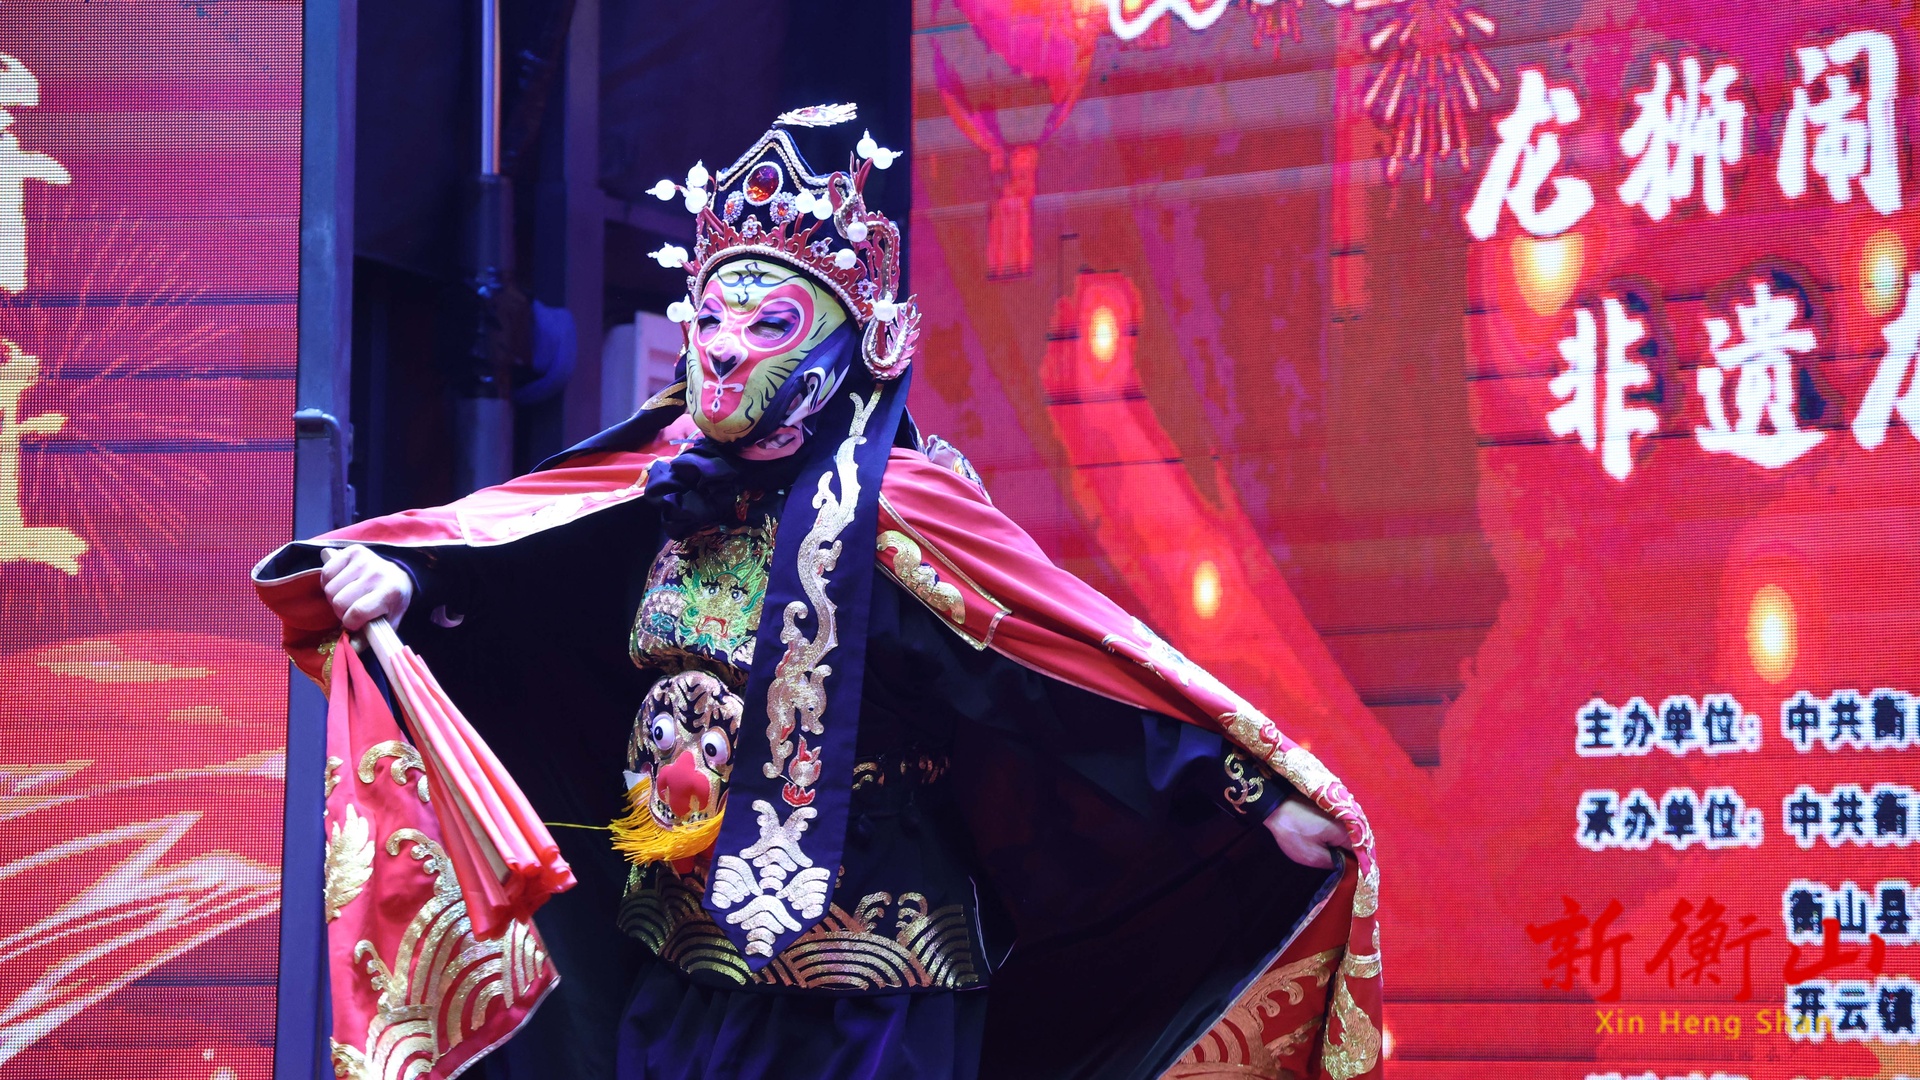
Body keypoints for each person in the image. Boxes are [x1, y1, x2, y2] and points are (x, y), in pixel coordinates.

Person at [257, 107, 1381, 1080]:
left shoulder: (907, 507)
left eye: (769, 325)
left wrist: (1242, 789)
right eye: (710, 320)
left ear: (863, 343)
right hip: (682, 954)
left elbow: (1049, 673)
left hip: (870, 978)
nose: (725, 350)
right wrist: (409, 576)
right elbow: (522, 566)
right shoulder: (652, 488)